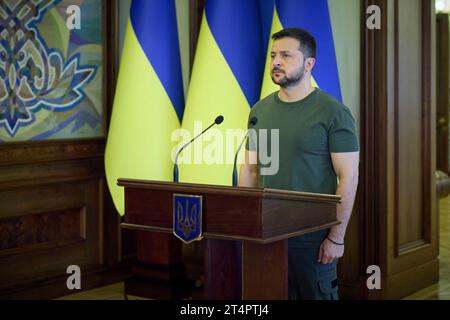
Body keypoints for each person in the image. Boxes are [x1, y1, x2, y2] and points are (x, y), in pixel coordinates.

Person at [239, 28, 359, 300]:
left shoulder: (333, 112)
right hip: (265, 233)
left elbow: (348, 177)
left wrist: (336, 237)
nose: (276, 62)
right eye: (273, 56)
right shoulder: (259, 110)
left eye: (285, 55)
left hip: (312, 238)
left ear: (309, 64)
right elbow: (250, 169)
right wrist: (244, 223)